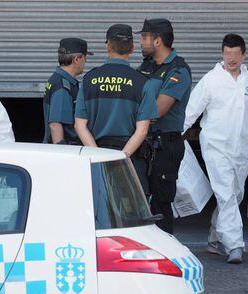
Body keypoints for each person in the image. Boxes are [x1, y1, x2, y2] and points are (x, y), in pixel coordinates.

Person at [183, 34, 248, 264]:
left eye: (235, 53)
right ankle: (235, 245)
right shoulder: (211, 80)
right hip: (214, 145)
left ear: (243, 54)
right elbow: (192, 109)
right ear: (222, 53)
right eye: (227, 53)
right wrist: (177, 133)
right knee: (226, 193)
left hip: (240, 148)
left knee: (235, 194)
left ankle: (214, 237)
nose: (231, 58)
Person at [75, 24, 158, 194]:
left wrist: (98, 156)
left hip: (95, 156)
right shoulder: (142, 82)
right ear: (132, 48)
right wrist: (121, 159)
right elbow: (142, 130)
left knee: (97, 210)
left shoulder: (89, 79)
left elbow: (80, 125)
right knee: (131, 217)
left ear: (107, 47)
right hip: (130, 158)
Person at [136, 18, 192, 234]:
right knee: (140, 204)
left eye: (144, 37)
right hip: (144, 144)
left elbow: (157, 110)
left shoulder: (178, 70)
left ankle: (166, 255)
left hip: (165, 146)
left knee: (160, 204)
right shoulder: (146, 66)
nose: (140, 42)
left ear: (157, 41)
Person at [43, 38, 92, 144]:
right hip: (65, 151)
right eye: (84, 57)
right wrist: (62, 155)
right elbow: (55, 125)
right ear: (77, 59)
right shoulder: (63, 86)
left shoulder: (57, 79)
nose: (86, 61)